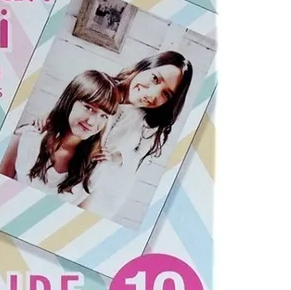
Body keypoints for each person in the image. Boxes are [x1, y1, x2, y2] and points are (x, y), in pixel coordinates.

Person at [33, 51, 193, 220]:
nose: (152, 94)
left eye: (166, 94)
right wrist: (52, 117)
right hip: (61, 178)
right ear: (145, 67)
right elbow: (70, 109)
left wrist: (113, 158)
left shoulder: (149, 126)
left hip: (98, 194)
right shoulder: (100, 88)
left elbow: (129, 167)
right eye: (155, 78)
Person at [0, 70, 120, 205]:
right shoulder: (27, 138)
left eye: (104, 116)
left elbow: (79, 216)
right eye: (88, 108)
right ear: (70, 100)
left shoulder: (97, 167)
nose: (92, 122)